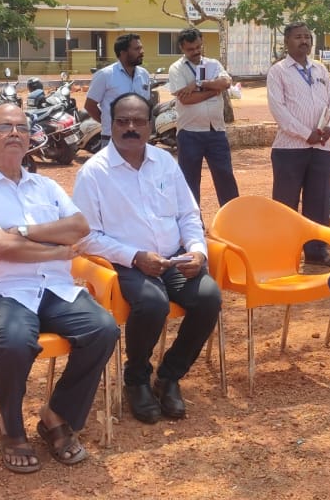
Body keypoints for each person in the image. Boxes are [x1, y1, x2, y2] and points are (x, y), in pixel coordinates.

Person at [0, 103, 119, 473]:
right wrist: (55, 249)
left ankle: (57, 414)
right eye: (5, 127)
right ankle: (11, 426)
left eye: (22, 127)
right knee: (14, 341)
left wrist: (22, 232)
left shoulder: (47, 186)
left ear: (30, 138)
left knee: (103, 329)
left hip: (54, 289)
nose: (15, 133)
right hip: (0, 290)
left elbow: (79, 228)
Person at [73, 92, 221, 426]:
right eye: (122, 121)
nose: (131, 128)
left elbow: (188, 214)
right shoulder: (94, 173)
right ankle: (137, 378)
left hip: (173, 259)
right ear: (110, 124)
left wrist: (197, 251)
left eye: (138, 121)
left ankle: (169, 376)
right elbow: (85, 237)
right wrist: (135, 257)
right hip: (125, 264)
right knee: (153, 303)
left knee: (208, 297)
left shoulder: (164, 162)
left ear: (150, 125)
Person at [266, 22, 330, 229]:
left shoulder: (320, 69)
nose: (304, 41)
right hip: (290, 149)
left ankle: (317, 245)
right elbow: (279, 110)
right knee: (286, 204)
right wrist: (307, 134)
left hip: (321, 147)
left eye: (307, 37)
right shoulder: (278, 71)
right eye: (298, 37)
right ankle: (284, 244)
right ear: (286, 41)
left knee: (319, 204)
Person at [167, 28, 239, 206]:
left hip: (216, 131)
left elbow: (226, 83)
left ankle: (232, 218)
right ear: (182, 48)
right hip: (190, 133)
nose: (196, 51)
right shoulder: (176, 68)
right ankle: (192, 220)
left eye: (198, 47)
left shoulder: (212, 64)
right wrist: (213, 91)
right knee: (190, 181)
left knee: (225, 178)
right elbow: (186, 100)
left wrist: (198, 84)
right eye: (190, 49)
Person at [84, 33, 150, 142]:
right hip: (112, 139)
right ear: (123, 52)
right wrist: (110, 123)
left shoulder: (144, 74)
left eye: (141, 48)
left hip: (138, 139)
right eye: (137, 49)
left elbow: (145, 106)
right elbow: (90, 106)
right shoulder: (105, 75)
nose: (142, 52)